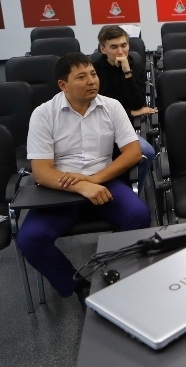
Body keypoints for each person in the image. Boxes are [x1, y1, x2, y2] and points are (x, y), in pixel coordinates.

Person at [17, 53, 151, 305]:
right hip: (61, 187)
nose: (91, 81)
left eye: (93, 74)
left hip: (104, 181)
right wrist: (80, 186)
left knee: (138, 215)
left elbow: (133, 153)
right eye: (81, 77)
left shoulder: (111, 106)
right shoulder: (43, 114)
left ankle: (113, 275)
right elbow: (42, 172)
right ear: (63, 85)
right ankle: (79, 286)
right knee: (30, 239)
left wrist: (94, 180)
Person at [91, 25, 156, 193]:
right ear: (103, 49)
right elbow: (96, 105)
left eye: (124, 45)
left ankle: (131, 192)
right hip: (97, 124)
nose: (120, 51)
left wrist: (127, 72)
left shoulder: (135, 65)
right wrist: (130, 112)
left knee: (147, 152)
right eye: (114, 47)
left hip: (122, 126)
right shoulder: (93, 70)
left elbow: (137, 103)